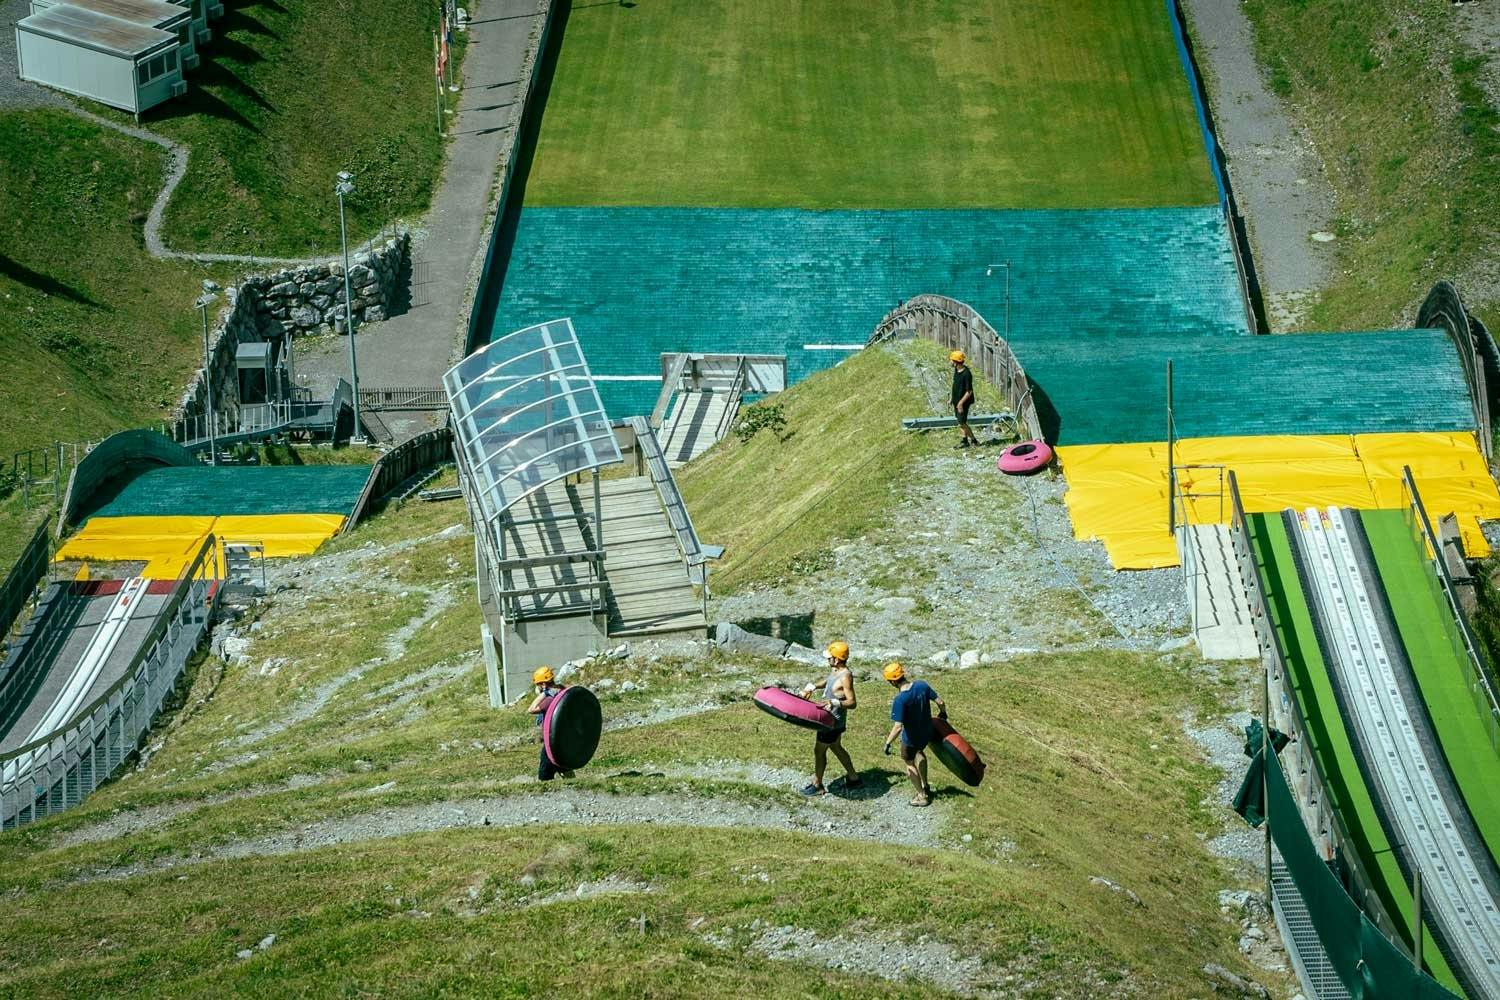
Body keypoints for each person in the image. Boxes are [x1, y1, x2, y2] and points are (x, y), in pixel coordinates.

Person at [799, 640, 864, 796]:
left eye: (830, 657)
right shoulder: (835, 671)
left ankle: (817, 784)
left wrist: (833, 702)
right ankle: (854, 779)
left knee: (819, 751)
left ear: (837, 659)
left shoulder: (845, 676)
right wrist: (812, 687)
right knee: (836, 747)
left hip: (831, 722)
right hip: (833, 721)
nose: (828, 659)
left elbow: (852, 702)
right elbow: (828, 682)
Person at [882, 662, 946, 806]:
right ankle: (925, 785)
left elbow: (898, 727)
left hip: (911, 738)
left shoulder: (900, 699)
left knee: (909, 763)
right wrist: (943, 713)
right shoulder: (921, 685)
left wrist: (887, 743)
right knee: (920, 752)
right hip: (927, 732)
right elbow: (940, 702)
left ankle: (922, 796)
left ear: (892, 681)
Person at [527, 666, 574, 781]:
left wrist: (544, 694)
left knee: (545, 769)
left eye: (538, 684)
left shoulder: (549, 699)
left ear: (543, 684)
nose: (537, 687)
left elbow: (531, 709)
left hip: (552, 739)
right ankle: (572, 780)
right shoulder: (562, 691)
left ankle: (545, 787)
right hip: (564, 736)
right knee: (560, 762)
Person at [950, 350, 978, 449]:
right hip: (956, 400)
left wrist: (961, 403)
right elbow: (955, 385)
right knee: (960, 422)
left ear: (956, 362)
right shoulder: (956, 370)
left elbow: (969, 391)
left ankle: (973, 440)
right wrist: (951, 399)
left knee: (962, 422)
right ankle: (965, 441)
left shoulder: (967, 374)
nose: (950, 362)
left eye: (952, 360)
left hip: (963, 402)